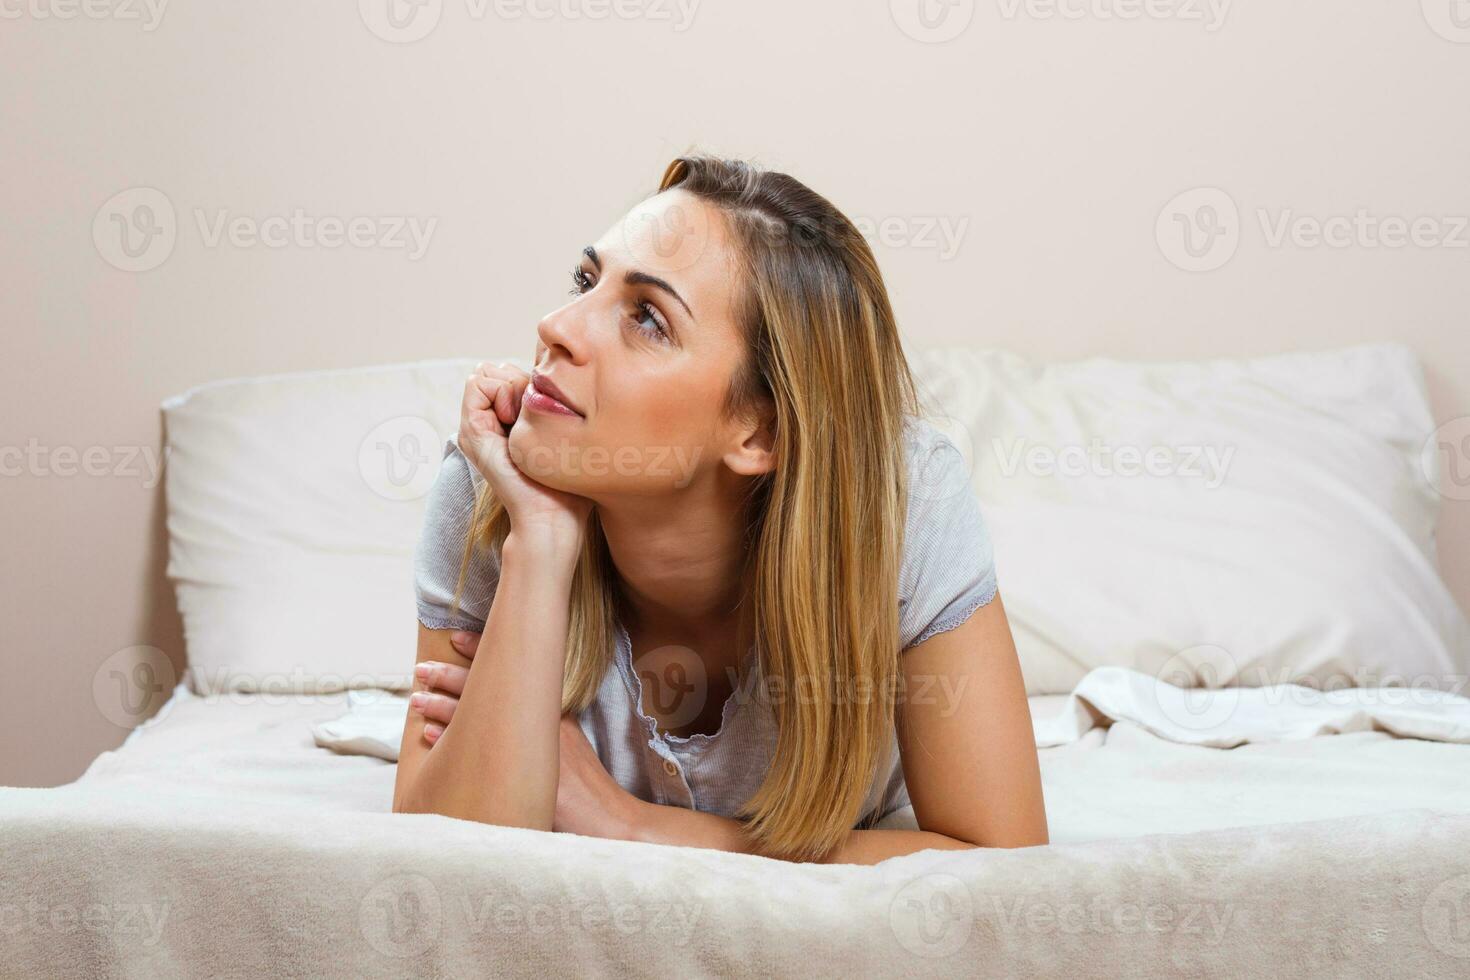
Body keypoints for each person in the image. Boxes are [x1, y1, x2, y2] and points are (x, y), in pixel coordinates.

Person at [392, 153, 1048, 864]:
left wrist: (630, 825)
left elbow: (1000, 861)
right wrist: (541, 542)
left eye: (647, 318)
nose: (556, 326)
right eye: (586, 281)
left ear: (759, 430)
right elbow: (449, 869)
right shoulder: (495, 484)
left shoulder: (903, 504)